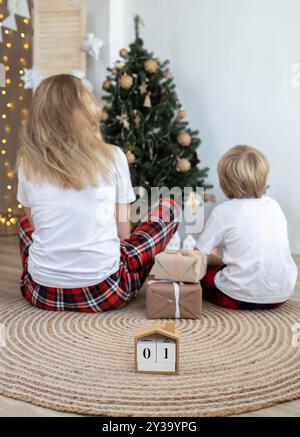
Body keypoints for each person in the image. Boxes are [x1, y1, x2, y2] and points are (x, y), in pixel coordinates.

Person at [17, 74, 178, 312]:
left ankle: (49, 269)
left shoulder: (27, 162)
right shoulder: (113, 156)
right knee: (169, 207)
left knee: (23, 225)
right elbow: (123, 233)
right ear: (84, 111)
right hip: (104, 290)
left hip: (40, 291)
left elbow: (36, 225)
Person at [197, 145, 297, 310]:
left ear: (224, 183)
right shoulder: (274, 205)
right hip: (280, 295)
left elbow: (199, 254)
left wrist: (214, 261)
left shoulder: (223, 211)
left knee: (201, 275)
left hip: (235, 298)